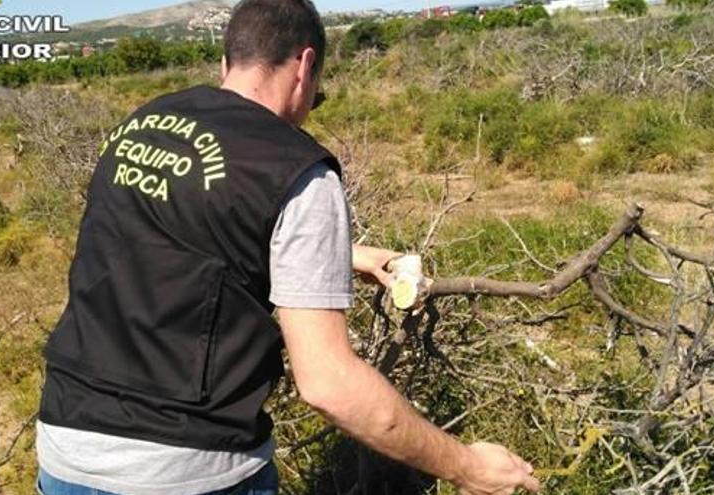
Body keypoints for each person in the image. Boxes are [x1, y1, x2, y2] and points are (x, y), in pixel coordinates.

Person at [34, 0, 541, 493]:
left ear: (227, 59)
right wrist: (468, 467)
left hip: (65, 445)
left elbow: (183, 238)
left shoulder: (142, 125)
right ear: (305, 66)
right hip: (186, 467)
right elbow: (327, 384)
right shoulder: (296, 170)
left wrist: (338, 257)